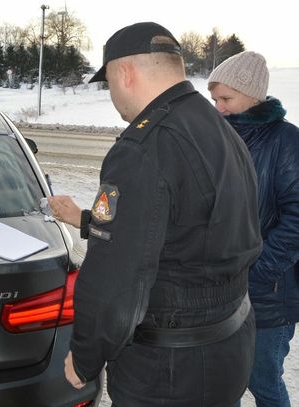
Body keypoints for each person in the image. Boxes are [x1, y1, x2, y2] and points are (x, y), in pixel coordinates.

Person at [48, 22, 262, 406]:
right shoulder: (220, 127)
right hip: (228, 344)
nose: (111, 95)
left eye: (108, 81)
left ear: (124, 73)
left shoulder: (145, 146)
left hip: (170, 367)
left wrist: (84, 358)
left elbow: (114, 279)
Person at [208, 51, 299, 407]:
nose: (219, 107)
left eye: (226, 98)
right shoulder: (215, 138)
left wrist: (261, 269)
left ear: (254, 94)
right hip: (217, 292)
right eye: (214, 99)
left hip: (267, 294)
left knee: (262, 381)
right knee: (220, 381)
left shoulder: (286, 141)